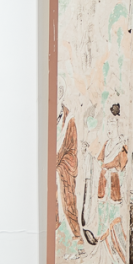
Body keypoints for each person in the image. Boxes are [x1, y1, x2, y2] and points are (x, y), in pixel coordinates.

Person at [55, 101, 84, 246]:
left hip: (65, 167)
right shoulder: (55, 117)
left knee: (68, 202)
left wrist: (56, 163)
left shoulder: (69, 120)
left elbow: (69, 148)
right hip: (56, 167)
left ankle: (76, 239)